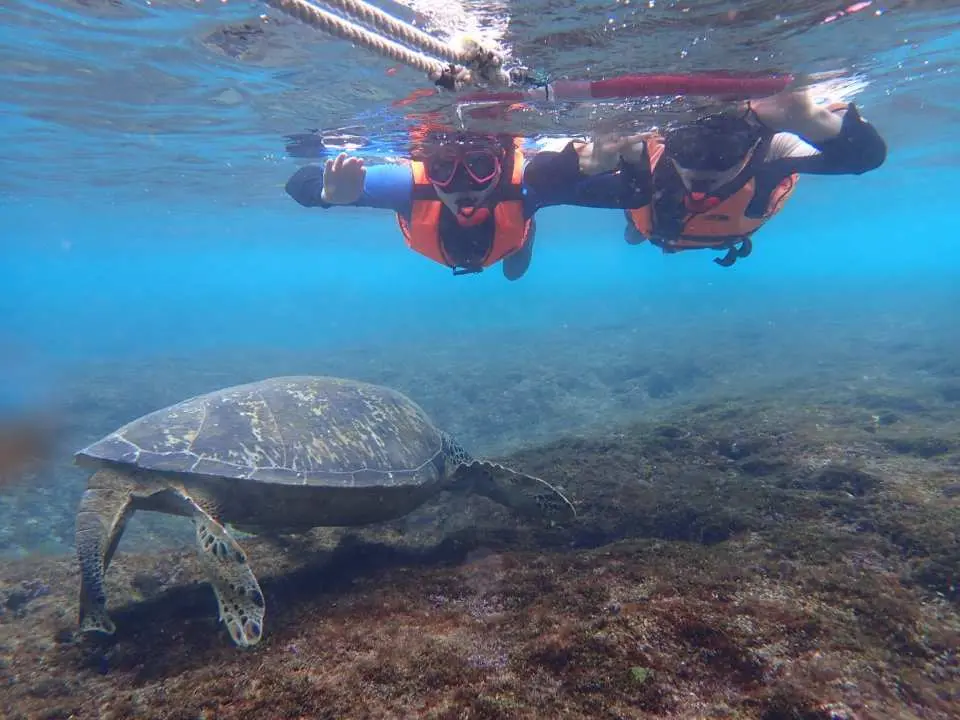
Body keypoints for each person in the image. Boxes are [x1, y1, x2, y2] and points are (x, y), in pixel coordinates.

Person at [284, 130, 649, 280]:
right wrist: (327, 195)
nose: (462, 188)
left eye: (479, 167)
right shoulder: (408, 186)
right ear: (428, 168)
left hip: (510, 233)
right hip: (507, 223)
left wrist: (631, 156)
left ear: (500, 166)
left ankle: (525, 230)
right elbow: (298, 182)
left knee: (514, 271)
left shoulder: (526, 185)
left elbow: (633, 196)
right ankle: (521, 228)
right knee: (514, 268)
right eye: (442, 169)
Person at [602, 86, 888, 267]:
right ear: (667, 139)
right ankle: (639, 230)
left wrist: (806, 118)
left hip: (715, 234)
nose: (700, 170)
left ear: (752, 143)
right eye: (687, 147)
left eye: (723, 152)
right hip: (661, 228)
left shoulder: (773, 150)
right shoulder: (641, 151)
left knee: (641, 224)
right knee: (636, 230)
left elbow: (863, 157)